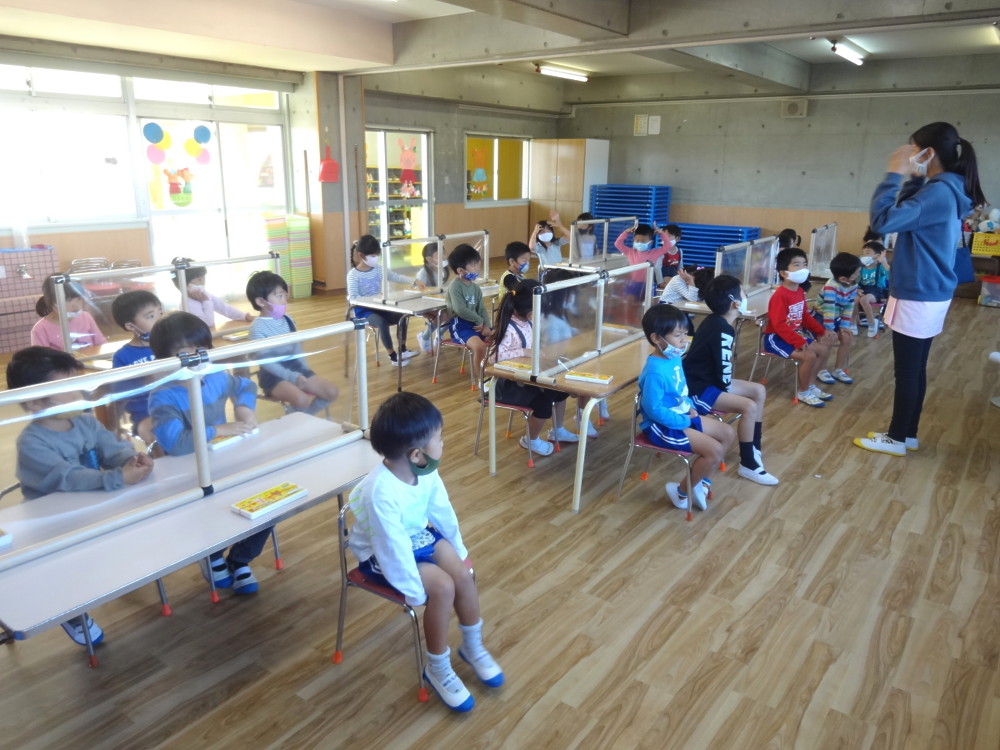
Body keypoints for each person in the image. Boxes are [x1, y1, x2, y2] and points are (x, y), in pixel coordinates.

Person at [347, 392, 503, 712]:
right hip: (380, 554)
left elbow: (442, 511)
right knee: (442, 588)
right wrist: (414, 590)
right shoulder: (381, 493)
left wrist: (458, 550)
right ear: (417, 454)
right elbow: (391, 548)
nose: (443, 443)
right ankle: (437, 667)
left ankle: (472, 647)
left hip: (415, 536)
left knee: (463, 576)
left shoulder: (424, 471)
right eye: (439, 438)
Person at [8, 346, 154, 646]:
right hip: (50, 522)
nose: (79, 394)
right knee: (66, 572)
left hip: (90, 504)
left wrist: (131, 460)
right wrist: (117, 478)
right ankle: (71, 612)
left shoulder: (86, 422)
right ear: (35, 401)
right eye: (68, 388)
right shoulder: (32, 442)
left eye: (77, 384)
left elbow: (111, 449)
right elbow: (67, 477)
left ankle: (95, 584)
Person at [855, 122, 985, 456]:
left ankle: (896, 438)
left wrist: (893, 174)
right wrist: (914, 178)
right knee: (915, 369)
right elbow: (908, 214)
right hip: (930, 290)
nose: (907, 154)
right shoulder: (946, 188)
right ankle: (908, 434)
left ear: (928, 153)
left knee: (907, 372)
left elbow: (882, 222)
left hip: (919, 291)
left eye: (913, 149)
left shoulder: (938, 192)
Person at [147, 312, 267, 594]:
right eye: (183, 353)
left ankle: (240, 559)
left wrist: (244, 408)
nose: (195, 359)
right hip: (190, 471)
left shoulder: (214, 375)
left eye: (201, 350)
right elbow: (176, 444)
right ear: (164, 359)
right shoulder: (163, 395)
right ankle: (212, 554)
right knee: (212, 509)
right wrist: (219, 429)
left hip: (223, 458)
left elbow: (245, 385)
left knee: (265, 501)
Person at [682, 275, 779, 485]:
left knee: (759, 391)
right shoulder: (721, 329)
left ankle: (753, 447)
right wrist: (729, 393)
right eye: (743, 293)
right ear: (735, 303)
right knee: (748, 406)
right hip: (697, 389)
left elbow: (722, 372)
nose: (745, 296)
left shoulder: (719, 322)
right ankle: (748, 464)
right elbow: (724, 375)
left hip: (709, 381)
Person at [639, 305, 736, 510]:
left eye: (685, 333)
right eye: (677, 335)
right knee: (714, 451)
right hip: (661, 426)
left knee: (727, 433)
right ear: (656, 338)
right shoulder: (655, 371)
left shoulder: (673, 357)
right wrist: (685, 419)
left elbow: (681, 389)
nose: (684, 340)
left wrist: (689, 406)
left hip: (681, 415)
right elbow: (653, 410)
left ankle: (702, 483)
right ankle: (681, 493)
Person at [490, 279, 576, 455]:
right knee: (543, 402)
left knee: (560, 391)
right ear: (530, 313)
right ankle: (530, 440)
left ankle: (557, 430)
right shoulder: (509, 327)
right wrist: (524, 351)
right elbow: (494, 356)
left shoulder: (528, 322)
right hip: (508, 386)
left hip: (527, 378)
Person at [246, 270, 338, 414]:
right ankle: (298, 420)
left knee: (331, 391)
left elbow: (297, 347)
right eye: (279, 296)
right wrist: (292, 377)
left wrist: (304, 370)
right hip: (272, 376)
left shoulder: (288, 319)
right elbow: (267, 363)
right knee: (301, 400)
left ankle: (304, 418)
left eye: (285, 295)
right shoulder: (257, 328)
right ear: (260, 302)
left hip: (295, 368)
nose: (284, 300)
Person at [763, 247, 838, 407]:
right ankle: (803, 392)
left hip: (793, 335)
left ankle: (811, 386)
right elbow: (778, 325)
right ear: (783, 273)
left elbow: (804, 316)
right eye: (796, 265)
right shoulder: (780, 295)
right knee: (809, 356)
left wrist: (821, 331)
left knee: (823, 350)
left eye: (804, 264)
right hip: (775, 338)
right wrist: (798, 341)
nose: (803, 268)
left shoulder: (799, 292)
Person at [540, 268, 601, 435]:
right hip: (551, 369)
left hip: (558, 364)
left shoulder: (557, 313)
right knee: (588, 374)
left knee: (591, 365)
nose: (573, 297)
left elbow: (566, 333)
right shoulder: (551, 320)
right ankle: (583, 417)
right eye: (570, 293)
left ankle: (584, 414)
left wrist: (580, 333)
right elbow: (552, 354)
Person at [347, 235, 424, 366]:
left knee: (403, 315)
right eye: (373, 255)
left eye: (377, 255)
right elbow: (354, 298)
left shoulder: (378, 269)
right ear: (361, 256)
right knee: (381, 322)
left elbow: (395, 276)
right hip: (364, 311)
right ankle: (392, 356)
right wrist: (373, 299)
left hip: (379, 306)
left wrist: (414, 280)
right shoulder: (353, 275)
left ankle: (402, 349)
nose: (376, 258)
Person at [111, 290, 163, 444]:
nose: (160, 320)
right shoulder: (123, 356)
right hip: (145, 412)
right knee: (153, 434)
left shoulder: (170, 344)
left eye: (160, 313)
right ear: (131, 326)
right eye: (151, 316)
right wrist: (145, 380)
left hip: (177, 403)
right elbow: (120, 394)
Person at [445, 243, 491, 381]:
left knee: (501, 337)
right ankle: (483, 379)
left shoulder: (475, 288)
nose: (478, 268)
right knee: (479, 347)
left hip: (477, 323)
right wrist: (479, 321)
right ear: (461, 270)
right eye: (473, 265)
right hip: (461, 326)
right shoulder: (455, 286)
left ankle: (497, 375)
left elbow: (481, 309)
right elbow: (460, 310)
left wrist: (487, 326)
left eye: (478, 264)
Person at [816, 252, 861, 386]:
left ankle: (838, 370)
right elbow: (828, 309)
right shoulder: (831, 286)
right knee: (829, 339)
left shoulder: (852, 284)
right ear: (843, 278)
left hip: (836, 316)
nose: (858, 275)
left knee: (847, 337)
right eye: (856, 273)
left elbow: (849, 305)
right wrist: (830, 330)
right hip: (822, 316)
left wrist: (844, 326)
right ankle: (821, 370)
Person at [30, 275, 106, 352]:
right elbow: (41, 358)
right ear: (52, 301)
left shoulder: (86, 317)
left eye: (79, 299)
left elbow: (101, 344)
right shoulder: (40, 329)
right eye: (69, 300)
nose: (76, 305)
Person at [172, 258, 254, 330]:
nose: (203, 282)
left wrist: (244, 316)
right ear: (186, 285)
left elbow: (223, 308)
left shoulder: (204, 294)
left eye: (203, 278)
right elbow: (208, 323)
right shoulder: (187, 305)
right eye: (199, 279)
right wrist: (206, 301)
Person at [613, 221, 676, 300]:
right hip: (633, 284)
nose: (639, 243)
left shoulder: (654, 253)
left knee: (648, 304)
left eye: (643, 241)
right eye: (637, 241)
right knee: (629, 302)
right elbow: (617, 244)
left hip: (648, 285)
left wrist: (661, 233)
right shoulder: (630, 252)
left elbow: (668, 246)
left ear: (650, 243)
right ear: (633, 241)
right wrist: (626, 232)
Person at [414, 242, 450, 353]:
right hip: (424, 304)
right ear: (429, 259)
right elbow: (418, 294)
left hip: (439, 302)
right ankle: (424, 337)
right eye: (439, 255)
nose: (444, 257)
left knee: (456, 312)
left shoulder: (443, 270)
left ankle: (440, 334)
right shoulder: (423, 274)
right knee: (443, 315)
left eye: (443, 253)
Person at [855, 240, 890, 337]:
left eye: (867, 253)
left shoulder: (880, 267)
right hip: (863, 289)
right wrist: (857, 289)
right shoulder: (861, 267)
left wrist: (882, 260)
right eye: (863, 254)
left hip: (877, 291)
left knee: (864, 299)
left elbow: (890, 274)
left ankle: (872, 324)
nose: (864, 256)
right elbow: (855, 280)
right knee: (854, 299)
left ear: (877, 255)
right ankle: (854, 323)